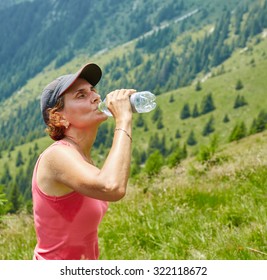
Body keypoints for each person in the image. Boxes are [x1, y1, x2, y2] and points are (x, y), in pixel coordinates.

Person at [32, 62, 136, 260]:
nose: (96, 97)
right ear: (58, 117)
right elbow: (111, 187)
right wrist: (123, 120)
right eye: (81, 95)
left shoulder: (81, 157)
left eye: (93, 90)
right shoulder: (56, 156)